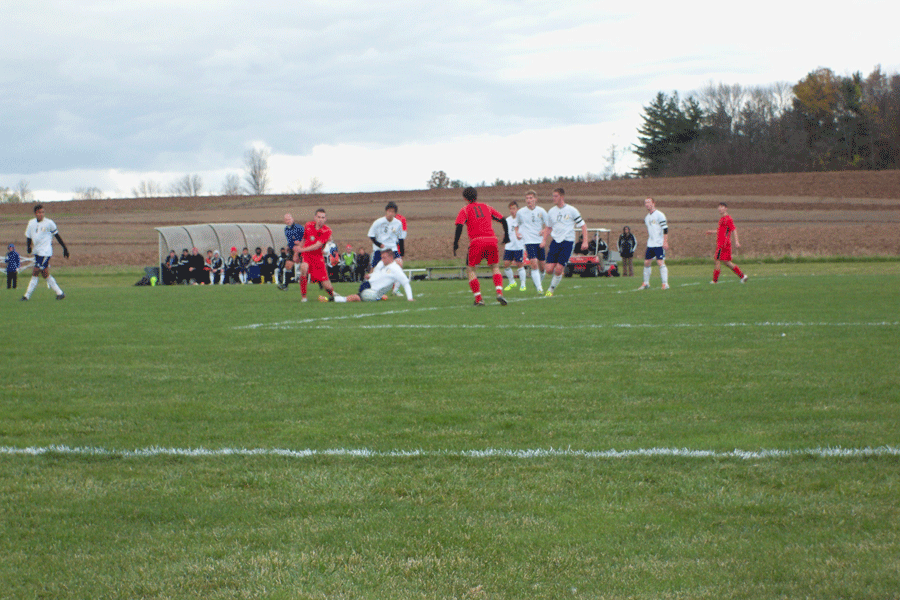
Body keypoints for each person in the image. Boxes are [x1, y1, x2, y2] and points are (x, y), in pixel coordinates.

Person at [453, 187, 509, 306]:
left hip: (477, 241)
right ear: (476, 196)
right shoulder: (486, 207)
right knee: (495, 267)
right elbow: (503, 220)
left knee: (471, 269)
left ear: (464, 198)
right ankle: (499, 293)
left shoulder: (465, 210)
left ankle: (479, 299)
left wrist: (455, 243)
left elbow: (459, 226)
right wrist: (506, 236)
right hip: (491, 240)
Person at [543, 188, 588, 297]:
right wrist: (544, 240)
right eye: (553, 196)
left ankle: (551, 289)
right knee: (548, 269)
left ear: (562, 197)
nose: (553, 198)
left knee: (558, 269)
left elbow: (583, 225)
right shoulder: (551, 211)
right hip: (555, 242)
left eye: (556, 196)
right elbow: (548, 227)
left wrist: (585, 241)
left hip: (567, 242)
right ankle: (558, 273)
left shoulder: (572, 210)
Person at [324, 248, 414, 302]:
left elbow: (406, 283)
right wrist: (370, 276)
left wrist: (410, 298)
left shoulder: (396, 269)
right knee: (356, 297)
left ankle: (332, 299)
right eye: (381, 257)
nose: (382, 259)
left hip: (372, 290)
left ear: (391, 257)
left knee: (356, 298)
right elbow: (378, 276)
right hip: (368, 285)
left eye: (384, 257)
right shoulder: (384, 265)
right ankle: (335, 298)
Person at [22, 204, 69, 301]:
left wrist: (65, 248)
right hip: (37, 252)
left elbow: (57, 236)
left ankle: (26, 296)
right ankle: (60, 293)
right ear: (35, 213)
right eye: (39, 212)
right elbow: (29, 236)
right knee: (44, 273)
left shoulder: (49, 223)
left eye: (43, 212)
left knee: (35, 272)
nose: (41, 214)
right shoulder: (31, 223)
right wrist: (28, 247)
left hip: (45, 252)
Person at [515, 190, 551, 294]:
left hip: (540, 241)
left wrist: (544, 231)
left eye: (531, 198)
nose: (529, 200)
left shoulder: (541, 211)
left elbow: (549, 225)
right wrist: (517, 233)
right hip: (529, 241)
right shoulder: (521, 212)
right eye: (527, 198)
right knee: (534, 263)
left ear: (535, 199)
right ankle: (539, 288)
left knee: (542, 266)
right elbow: (516, 225)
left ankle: (539, 279)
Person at [298, 208, 336, 302]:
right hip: (306, 255)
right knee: (303, 268)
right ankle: (304, 297)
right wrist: (297, 252)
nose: (320, 219)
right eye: (319, 217)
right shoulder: (308, 225)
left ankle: (334, 295)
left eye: (322, 217)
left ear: (325, 219)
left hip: (318, 257)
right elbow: (304, 239)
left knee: (327, 286)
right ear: (315, 217)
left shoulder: (327, 231)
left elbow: (317, 246)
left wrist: (302, 249)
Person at [705, 202, 748, 284]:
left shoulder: (728, 218)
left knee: (717, 260)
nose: (720, 208)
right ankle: (742, 276)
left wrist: (737, 241)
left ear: (726, 208)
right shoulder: (722, 219)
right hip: (723, 244)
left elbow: (734, 229)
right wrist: (712, 232)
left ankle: (714, 281)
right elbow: (721, 231)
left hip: (723, 244)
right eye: (719, 207)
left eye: (722, 207)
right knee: (726, 262)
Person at [639, 197, 669, 290]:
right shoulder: (647, 218)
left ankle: (665, 283)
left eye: (649, 202)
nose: (647, 204)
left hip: (659, 244)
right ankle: (646, 283)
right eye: (645, 203)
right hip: (650, 244)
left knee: (660, 262)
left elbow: (665, 229)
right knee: (647, 262)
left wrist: (665, 241)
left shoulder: (660, 215)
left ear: (653, 203)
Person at [368, 201, 405, 270]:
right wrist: (379, 244)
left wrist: (402, 252)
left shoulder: (398, 223)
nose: (390, 213)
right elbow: (371, 235)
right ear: (386, 211)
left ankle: (397, 280)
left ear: (395, 213)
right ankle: (371, 279)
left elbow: (401, 238)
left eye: (393, 212)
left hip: (392, 248)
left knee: (399, 264)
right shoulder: (378, 222)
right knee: (375, 269)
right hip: (380, 249)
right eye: (389, 211)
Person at [502, 201, 527, 291]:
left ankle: (523, 284)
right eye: (511, 209)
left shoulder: (521, 220)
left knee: (520, 264)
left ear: (518, 209)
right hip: (509, 246)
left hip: (518, 246)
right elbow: (506, 233)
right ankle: (512, 282)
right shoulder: (507, 220)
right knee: (506, 264)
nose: (512, 211)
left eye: (514, 208)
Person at [278, 213, 305, 290]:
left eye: (289, 219)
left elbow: (302, 241)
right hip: (292, 250)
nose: (288, 221)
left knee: (308, 267)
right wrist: (287, 246)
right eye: (286, 220)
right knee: (288, 266)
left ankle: (320, 283)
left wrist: (296, 254)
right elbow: (291, 240)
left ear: (292, 219)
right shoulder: (286, 229)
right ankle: (285, 285)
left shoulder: (298, 228)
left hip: (302, 250)